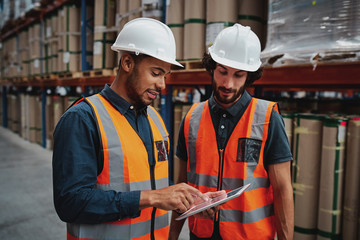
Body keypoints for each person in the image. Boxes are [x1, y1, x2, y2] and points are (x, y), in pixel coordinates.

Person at [52, 18, 215, 240]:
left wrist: (188, 201)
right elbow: (70, 203)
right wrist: (152, 197)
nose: (162, 85)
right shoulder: (83, 119)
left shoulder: (155, 121)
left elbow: (153, 187)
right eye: (156, 73)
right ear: (127, 63)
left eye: (165, 76)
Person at [169, 24, 294, 240]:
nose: (228, 83)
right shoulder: (192, 118)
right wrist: (172, 237)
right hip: (201, 234)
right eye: (222, 72)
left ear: (250, 75)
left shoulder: (267, 118)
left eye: (238, 75)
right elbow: (181, 187)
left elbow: (283, 190)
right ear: (212, 67)